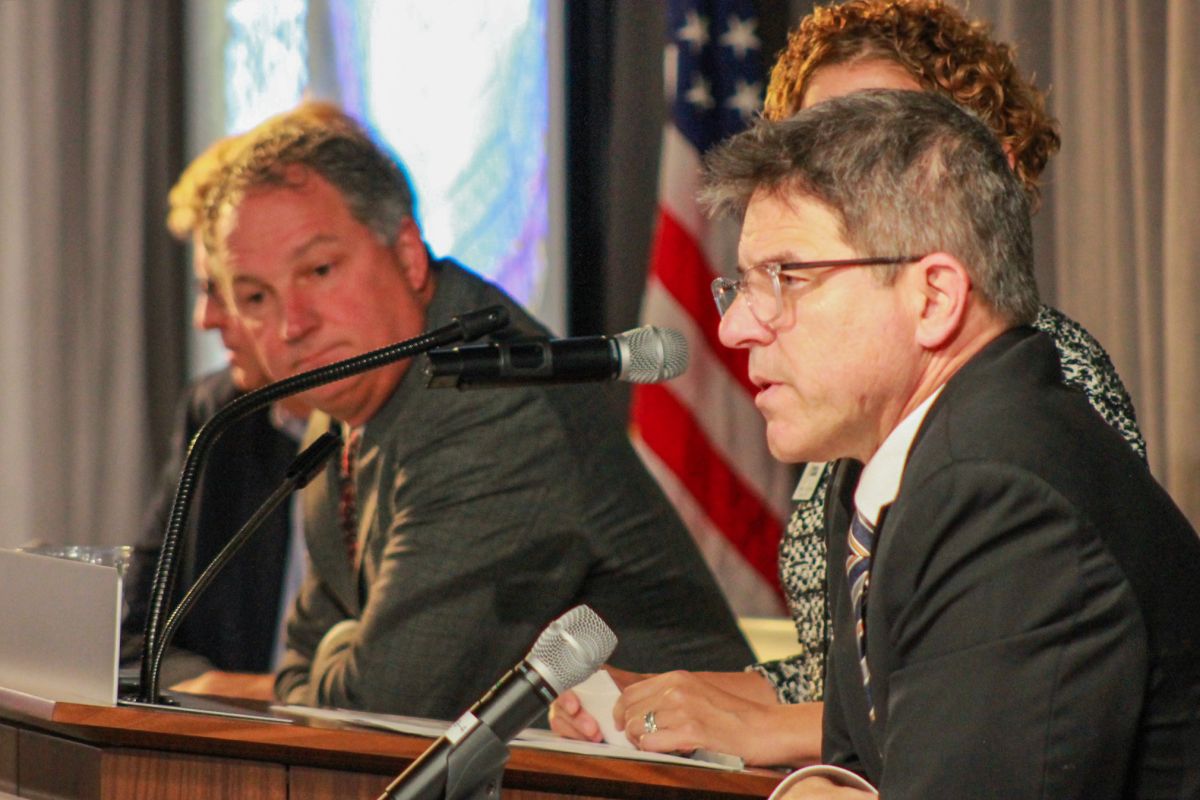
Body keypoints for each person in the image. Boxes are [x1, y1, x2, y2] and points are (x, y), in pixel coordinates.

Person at [550, 0, 1146, 768]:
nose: (738, 330)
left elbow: (1000, 701)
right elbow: (839, 680)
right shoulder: (860, 413)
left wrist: (770, 738)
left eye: (864, 140)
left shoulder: (1022, 429)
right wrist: (655, 696)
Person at [718, 88, 1199, 798]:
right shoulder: (894, 468)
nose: (736, 329)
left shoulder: (1002, 494)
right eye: (741, 284)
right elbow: (858, 767)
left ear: (935, 298)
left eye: (788, 277)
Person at [199, 104, 753, 719]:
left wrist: (330, 658)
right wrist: (329, 658)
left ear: (408, 256)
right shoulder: (345, 392)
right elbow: (304, 658)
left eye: (320, 270)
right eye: (254, 297)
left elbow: (385, 705)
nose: (290, 325)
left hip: (670, 776)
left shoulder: (491, 400)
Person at [122, 132, 311, 695]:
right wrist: (220, 688)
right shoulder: (217, 415)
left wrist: (267, 697)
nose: (206, 318)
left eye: (233, 289)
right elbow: (132, 635)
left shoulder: (391, 422)